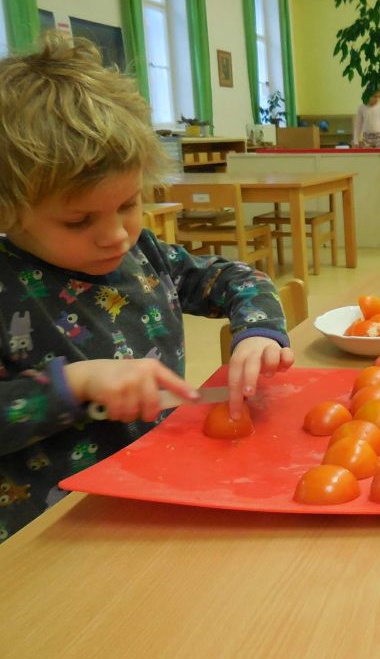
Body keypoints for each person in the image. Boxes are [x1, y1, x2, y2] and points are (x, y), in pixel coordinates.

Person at [0, 34, 295, 541]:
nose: (115, 234)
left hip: (153, 496)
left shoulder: (143, 255)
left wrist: (259, 328)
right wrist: (73, 385)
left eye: (129, 205)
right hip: (52, 532)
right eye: (78, 221)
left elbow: (238, 278)